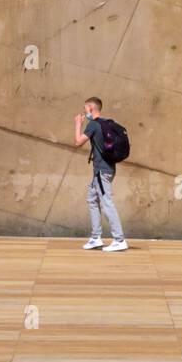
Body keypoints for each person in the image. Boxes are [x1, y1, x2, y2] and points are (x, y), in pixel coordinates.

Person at [76, 97, 127, 252]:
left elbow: (78, 142)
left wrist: (78, 124)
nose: (85, 112)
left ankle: (119, 239)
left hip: (102, 172)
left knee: (106, 203)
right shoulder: (106, 122)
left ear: (91, 108)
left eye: (85, 109)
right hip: (105, 169)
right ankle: (95, 238)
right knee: (92, 199)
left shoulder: (93, 125)